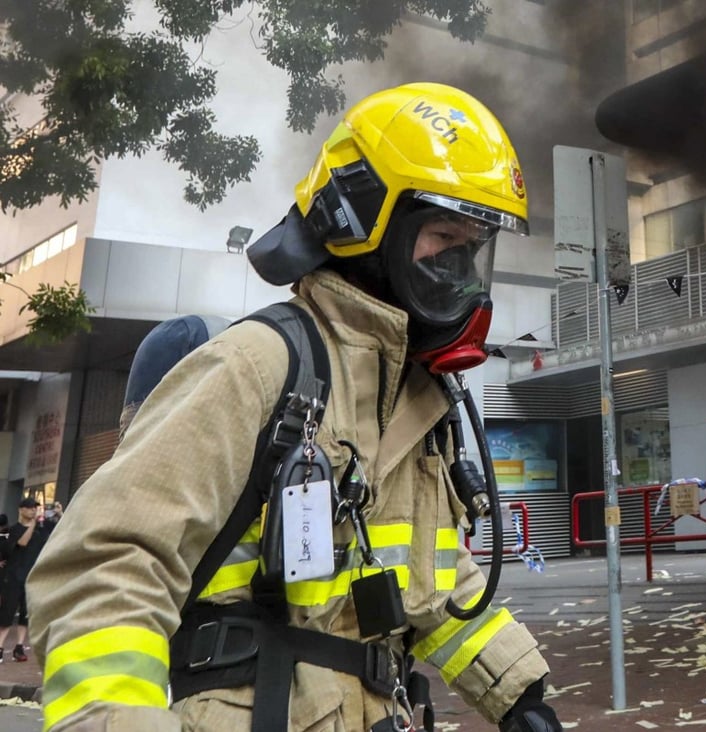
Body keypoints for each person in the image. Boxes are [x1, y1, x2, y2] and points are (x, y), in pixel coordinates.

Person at [27, 83, 562, 732]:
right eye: (443, 233)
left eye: (472, 245)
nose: (460, 266)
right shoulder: (256, 365)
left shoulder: (416, 401)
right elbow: (106, 563)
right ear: (363, 222)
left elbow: (433, 581)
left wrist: (519, 697)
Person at [1, 497, 50, 664]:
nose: (33, 510)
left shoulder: (40, 530)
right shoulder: (13, 530)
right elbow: (22, 543)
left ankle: (19, 646)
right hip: (13, 578)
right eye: (29, 508)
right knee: (7, 615)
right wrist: (32, 524)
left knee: (25, 615)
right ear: (21, 510)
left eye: (35, 508)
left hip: (31, 578)